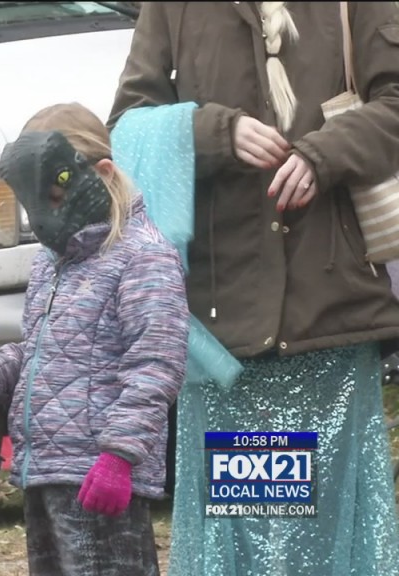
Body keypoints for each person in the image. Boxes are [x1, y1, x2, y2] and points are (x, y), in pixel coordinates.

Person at [107, 3, 399, 575]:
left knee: (327, 534)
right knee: (244, 532)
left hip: (330, 317)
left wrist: (326, 154)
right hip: (225, 336)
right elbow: (127, 124)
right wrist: (215, 131)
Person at [0, 102, 190, 576]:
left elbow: (157, 365)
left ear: (102, 174)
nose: (42, 216)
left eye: (52, 199)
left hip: (99, 474)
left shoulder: (143, 257)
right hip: (46, 466)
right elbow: (41, 351)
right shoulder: (54, 262)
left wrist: (120, 456)